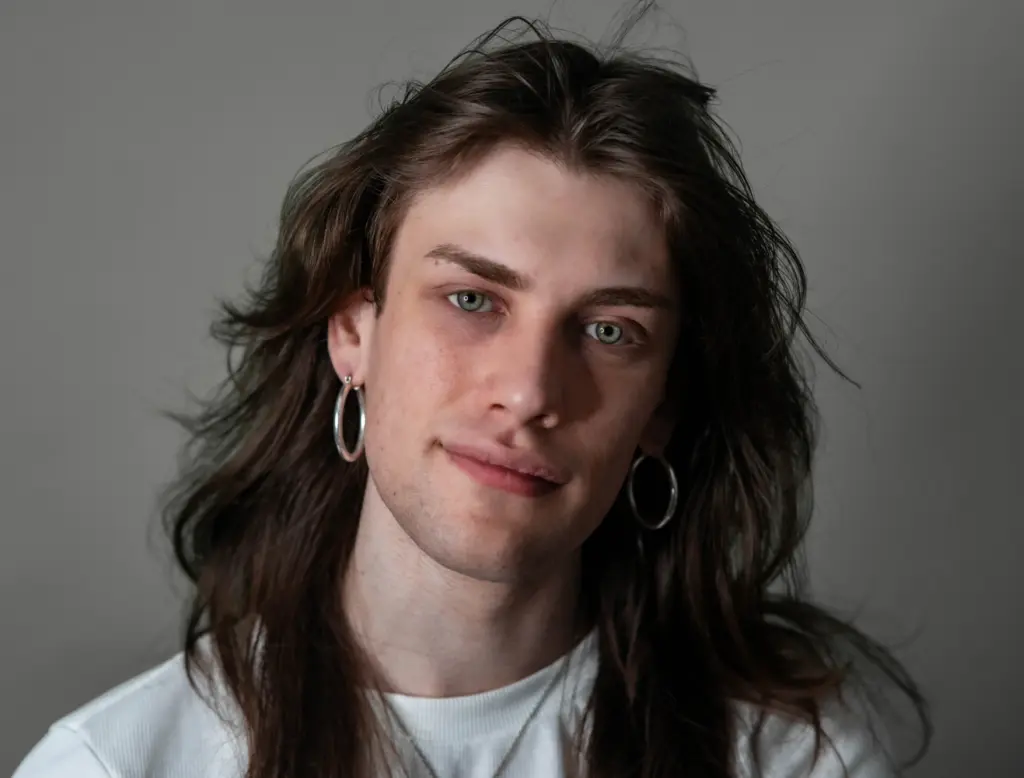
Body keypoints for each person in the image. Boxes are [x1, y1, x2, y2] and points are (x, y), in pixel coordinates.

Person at [12, 12, 931, 778]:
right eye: (472, 300)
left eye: (610, 331)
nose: (530, 392)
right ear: (353, 334)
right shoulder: (114, 765)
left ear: (662, 408)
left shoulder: (791, 758)